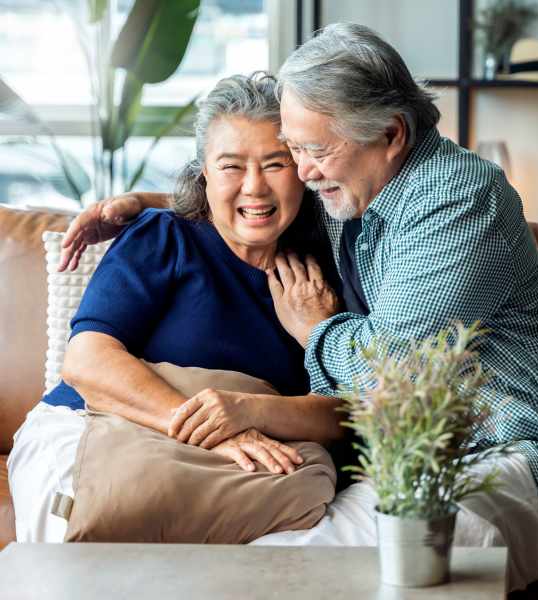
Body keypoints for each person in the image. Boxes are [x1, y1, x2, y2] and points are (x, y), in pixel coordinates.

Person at [63, 23, 538, 592]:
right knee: (280, 561)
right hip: (413, 451)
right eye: (293, 150)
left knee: (336, 571)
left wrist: (317, 328)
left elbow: (394, 374)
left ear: (391, 133)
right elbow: (254, 193)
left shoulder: (458, 201)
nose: (302, 170)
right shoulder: (355, 185)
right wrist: (143, 202)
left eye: (312, 151)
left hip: (522, 451)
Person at [8, 72, 348, 544]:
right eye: (231, 166)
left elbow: (344, 414)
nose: (254, 188)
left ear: (304, 169)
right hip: (105, 426)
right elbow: (87, 360)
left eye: (275, 164)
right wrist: (214, 429)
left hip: (248, 458)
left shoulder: (323, 272)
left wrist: (252, 406)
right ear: (203, 172)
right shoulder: (166, 236)